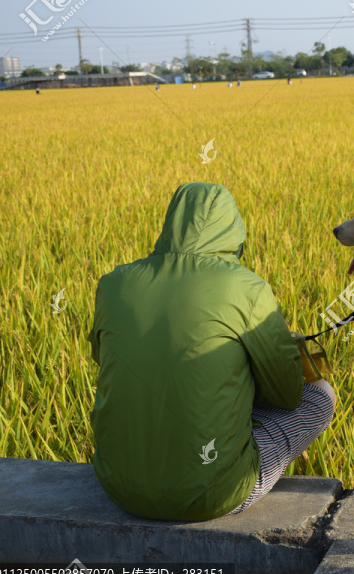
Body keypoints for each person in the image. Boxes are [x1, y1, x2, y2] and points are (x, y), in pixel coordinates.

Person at [87, 183, 336, 521]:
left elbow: (107, 360)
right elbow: (288, 395)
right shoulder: (247, 288)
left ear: (170, 224)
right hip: (214, 493)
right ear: (233, 232)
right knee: (320, 396)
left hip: (118, 486)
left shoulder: (114, 283)